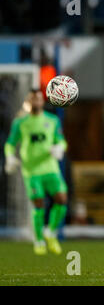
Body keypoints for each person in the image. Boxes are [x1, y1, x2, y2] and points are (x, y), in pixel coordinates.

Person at [4, 90, 68, 255]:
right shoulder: (20, 122)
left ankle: (51, 232)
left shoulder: (52, 120)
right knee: (38, 203)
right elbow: (10, 143)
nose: (36, 101)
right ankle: (39, 240)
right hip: (31, 171)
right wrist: (9, 157)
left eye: (38, 98)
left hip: (50, 168)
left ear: (42, 101)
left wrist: (60, 148)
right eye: (33, 99)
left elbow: (61, 140)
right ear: (28, 101)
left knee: (61, 199)